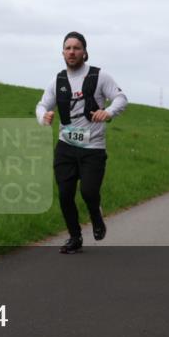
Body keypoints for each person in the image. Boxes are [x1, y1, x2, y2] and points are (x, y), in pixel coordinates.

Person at [36, 32, 128, 254]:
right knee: (65, 194)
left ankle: (96, 216)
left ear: (84, 52)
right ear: (62, 53)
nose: (72, 52)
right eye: (67, 48)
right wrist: (43, 117)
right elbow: (41, 105)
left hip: (93, 148)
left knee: (88, 192)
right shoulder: (57, 82)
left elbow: (121, 99)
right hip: (66, 147)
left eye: (76, 48)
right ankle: (74, 237)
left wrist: (107, 112)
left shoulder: (100, 76)